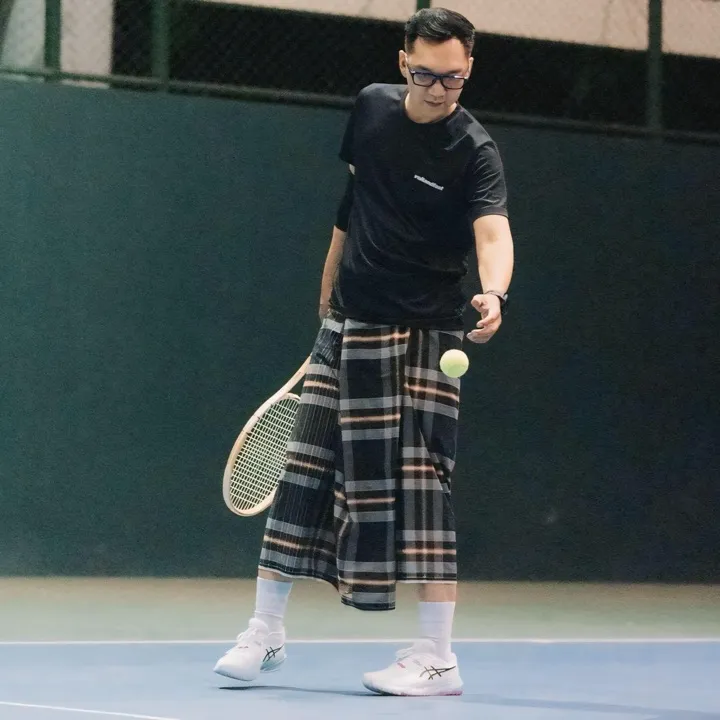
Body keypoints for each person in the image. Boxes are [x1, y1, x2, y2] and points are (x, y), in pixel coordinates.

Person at [214, 7, 514, 696]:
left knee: (424, 490)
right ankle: (264, 630)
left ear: (469, 70)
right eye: (426, 75)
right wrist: (329, 285)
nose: (439, 90)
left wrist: (495, 292)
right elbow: (354, 202)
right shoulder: (371, 109)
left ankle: (437, 657)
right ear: (403, 62)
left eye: (454, 79)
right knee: (302, 473)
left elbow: (492, 233)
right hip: (347, 327)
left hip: (423, 338)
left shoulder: (475, 151)